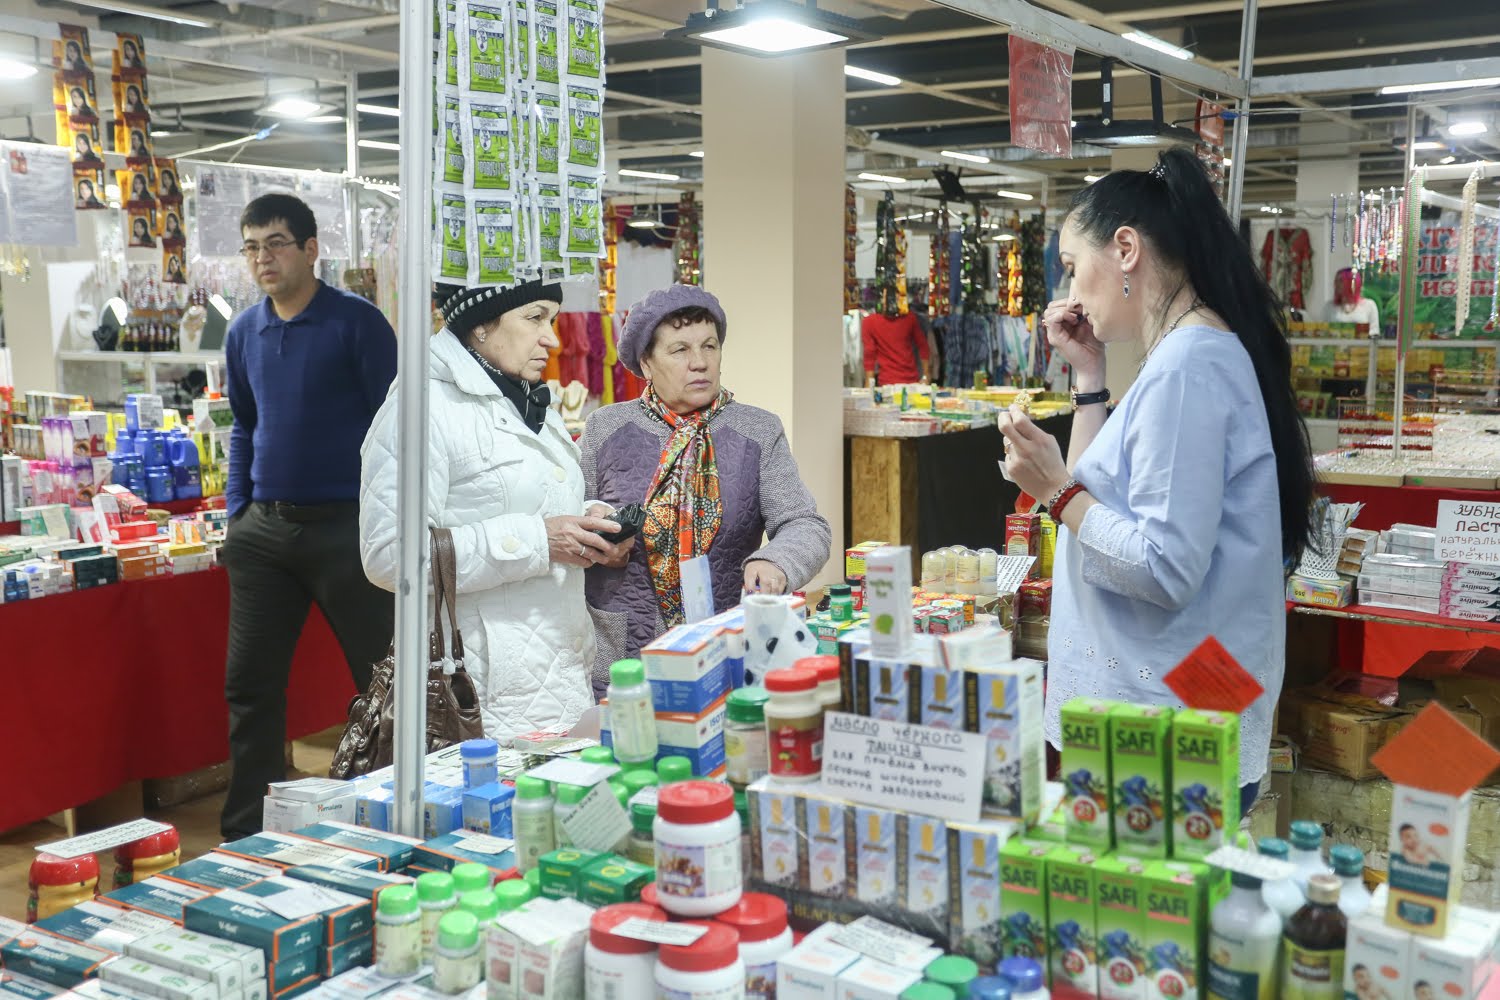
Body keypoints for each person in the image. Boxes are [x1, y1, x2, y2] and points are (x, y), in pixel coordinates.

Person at [998, 148, 1315, 814]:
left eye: (1072, 267)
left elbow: (1164, 567)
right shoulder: (1182, 355)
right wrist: (1089, 378)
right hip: (1164, 711)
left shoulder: (1186, 368)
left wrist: (1056, 491)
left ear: (1125, 250)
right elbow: (1101, 495)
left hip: (1165, 729)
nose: (1069, 295)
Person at [361, 280, 625, 739]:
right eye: (535, 317)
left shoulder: (521, 395)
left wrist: (589, 522)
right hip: (477, 697)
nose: (552, 338)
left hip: (559, 673)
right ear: (480, 324)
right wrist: (539, 540)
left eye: (552, 319)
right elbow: (389, 555)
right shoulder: (420, 409)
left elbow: (510, 501)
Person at [220, 193, 397, 839]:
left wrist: (385, 519)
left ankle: (392, 812)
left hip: (348, 530)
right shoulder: (243, 332)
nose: (263, 258)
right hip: (265, 533)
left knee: (382, 682)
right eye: (251, 247)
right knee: (250, 686)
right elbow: (244, 425)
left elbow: (394, 427)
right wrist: (238, 514)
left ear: (311, 248)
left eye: (276, 243)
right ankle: (247, 829)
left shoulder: (357, 323)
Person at [579, 284, 831, 695]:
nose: (699, 362)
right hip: (625, 659)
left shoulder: (757, 430)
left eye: (709, 346)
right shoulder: (605, 429)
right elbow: (569, 521)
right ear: (646, 363)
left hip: (727, 648)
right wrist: (595, 534)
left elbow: (805, 524)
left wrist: (776, 562)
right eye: (680, 350)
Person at [861, 307, 930, 385]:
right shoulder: (910, 318)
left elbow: (869, 354)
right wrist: (926, 375)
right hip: (908, 380)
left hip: (888, 381)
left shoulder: (869, 322)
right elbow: (923, 346)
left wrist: (869, 382)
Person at [1333, 266, 1380, 333]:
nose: (1336, 284)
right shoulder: (1330, 307)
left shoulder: (1369, 305)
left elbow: (1375, 331)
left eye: (1340, 280)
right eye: (1336, 281)